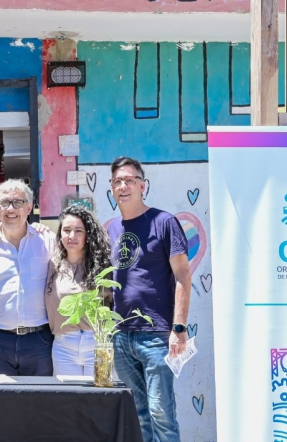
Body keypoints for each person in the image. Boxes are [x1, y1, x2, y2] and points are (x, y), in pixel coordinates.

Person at [107, 156, 192, 442]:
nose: (123, 186)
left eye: (130, 180)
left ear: (143, 185)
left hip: (156, 336)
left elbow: (182, 276)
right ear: (111, 188)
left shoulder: (164, 222)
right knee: (139, 414)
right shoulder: (113, 229)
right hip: (122, 337)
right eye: (117, 181)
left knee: (161, 413)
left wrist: (178, 328)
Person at [0, 179, 56, 376]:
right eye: (5, 203)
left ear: (28, 207)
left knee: (40, 402)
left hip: (40, 341)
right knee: (1, 404)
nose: (11, 209)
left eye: (17, 202)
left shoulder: (48, 241)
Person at [45, 205, 111, 376]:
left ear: (88, 235)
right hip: (62, 345)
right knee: (67, 401)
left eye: (78, 231)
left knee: (99, 400)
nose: (71, 236)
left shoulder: (101, 267)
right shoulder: (51, 264)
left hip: (96, 343)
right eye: (66, 230)